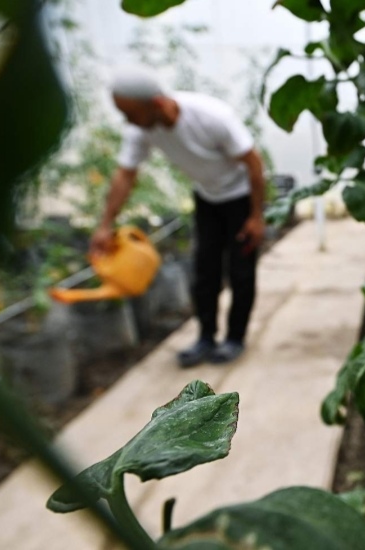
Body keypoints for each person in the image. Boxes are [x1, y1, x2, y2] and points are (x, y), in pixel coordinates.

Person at [91, 67, 266, 367]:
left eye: (131, 113)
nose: (128, 121)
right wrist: (105, 224)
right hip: (207, 198)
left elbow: (254, 164)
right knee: (204, 272)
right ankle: (206, 338)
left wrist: (256, 216)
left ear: (157, 104)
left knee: (240, 272)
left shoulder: (212, 117)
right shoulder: (141, 128)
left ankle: (235, 338)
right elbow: (125, 175)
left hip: (240, 198)